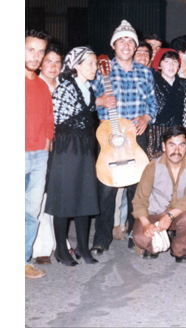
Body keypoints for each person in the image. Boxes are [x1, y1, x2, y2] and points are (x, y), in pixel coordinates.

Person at [91, 20, 157, 254]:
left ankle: (134, 233)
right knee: (106, 188)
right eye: (121, 40)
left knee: (136, 189)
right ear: (113, 45)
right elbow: (90, 101)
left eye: (130, 40)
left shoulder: (145, 72)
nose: (126, 44)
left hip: (136, 136)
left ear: (136, 45)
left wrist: (147, 118)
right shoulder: (102, 70)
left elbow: (152, 103)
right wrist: (100, 102)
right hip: (110, 137)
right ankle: (101, 237)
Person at [46, 47, 102, 266]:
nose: (95, 68)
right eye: (90, 64)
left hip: (85, 147)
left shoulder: (88, 88)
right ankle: (61, 249)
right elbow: (61, 120)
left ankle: (82, 247)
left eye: (96, 64)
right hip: (67, 148)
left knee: (85, 196)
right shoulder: (65, 88)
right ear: (76, 65)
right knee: (65, 198)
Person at [132, 126, 186, 262]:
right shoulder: (152, 166)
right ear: (164, 147)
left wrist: (169, 216)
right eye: (172, 145)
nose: (177, 151)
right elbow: (139, 199)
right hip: (153, 212)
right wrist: (146, 223)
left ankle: (178, 250)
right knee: (141, 238)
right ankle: (153, 248)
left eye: (181, 145)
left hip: (178, 213)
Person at [25, 29, 53, 279]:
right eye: (30, 49)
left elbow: (48, 122)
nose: (36, 56)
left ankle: (21, 261)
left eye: (40, 51)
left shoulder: (42, 87)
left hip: (38, 158)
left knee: (31, 213)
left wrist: (43, 152)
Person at [32, 45, 63, 265]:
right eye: (48, 61)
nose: (53, 67)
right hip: (42, 147)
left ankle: (58, 241)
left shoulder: (64, 86)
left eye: (57, 62)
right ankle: (41, 246)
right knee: (40, 197)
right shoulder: (35, 85)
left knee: (58, 194)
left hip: (64, 148)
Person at [147, 48, 186, 160]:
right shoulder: (151, 83)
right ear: (159, 65)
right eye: (166, 61)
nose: (171, 65)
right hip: (156, 135)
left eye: (175, 62)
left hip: (179, 134)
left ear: (179, 66)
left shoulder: (184, 84)